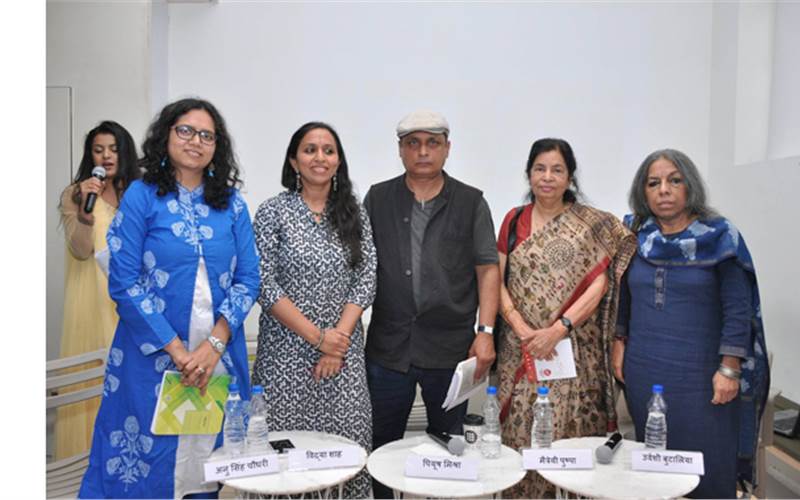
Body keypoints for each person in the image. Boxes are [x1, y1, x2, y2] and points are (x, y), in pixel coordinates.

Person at [79, 98, 260, 499]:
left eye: (207, 135)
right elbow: (124, 280)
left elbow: (248, 279)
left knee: (206, 464)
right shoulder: (142, 196)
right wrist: (179, 352)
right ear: (166, 135)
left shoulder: (232, 204)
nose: (196, 141)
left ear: (217, 147)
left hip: (216, 361)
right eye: (186, 131)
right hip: (151, 359)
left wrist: (213, 346)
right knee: (147, 469)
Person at [613, 149, 769, 498]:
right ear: (642, 192)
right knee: (653, 469)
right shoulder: (635, 236)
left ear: (690, 186)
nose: (663, 190)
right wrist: (618, 342)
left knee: (706, 468)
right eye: (653, 183)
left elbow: (738, 308)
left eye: (674, 180)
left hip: (703, 379)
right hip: (644, 372)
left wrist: (729, 368)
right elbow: (622, 295)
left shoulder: (720, 236)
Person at [364, 110, 500, 498]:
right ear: (401, 150)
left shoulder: (471, 202)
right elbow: (358, 266)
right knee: (382, 448)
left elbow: (487, 269)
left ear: (447, 148)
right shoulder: (378, 198)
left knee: (449, 448)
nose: (423, 151)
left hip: (450, 348)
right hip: (389, 349)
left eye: (432, 143)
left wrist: (485, 332)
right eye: (413, 143)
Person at [495, 138, 636, 498]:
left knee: (574, 443)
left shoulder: (591, 224)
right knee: (522, 439)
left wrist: (558, 330)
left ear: (570, 176)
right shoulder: (513, 220)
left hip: (574, 353)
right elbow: (497, 279)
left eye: (557, 170)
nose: (548, 177)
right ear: (529, 174)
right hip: (523, 351)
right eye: (540, 169)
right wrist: (523, 329)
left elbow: (600, 285)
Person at [252, 122, 377, 498]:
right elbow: (263, 282)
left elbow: (366, 277)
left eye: (328, 150)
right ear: (294, 161)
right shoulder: (273, 212)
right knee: (285, 464)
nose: (319, 157)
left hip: (343, 360)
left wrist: (336, 343)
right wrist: (319, 338)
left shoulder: (354, 214)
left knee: (347, 455)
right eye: (309, 150)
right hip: (285, 359)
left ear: (338, 162)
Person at [56, 120, 141, 460]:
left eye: (113, 149)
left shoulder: (140, 193)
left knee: (131, 384)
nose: (106, 156)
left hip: (131, 300)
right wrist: (85, 214)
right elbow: (80, 250)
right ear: (89, 155)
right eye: (98, 150)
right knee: (93, 384)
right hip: (91, 300)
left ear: (125, 153)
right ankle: (87, 467)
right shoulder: (77, 194)